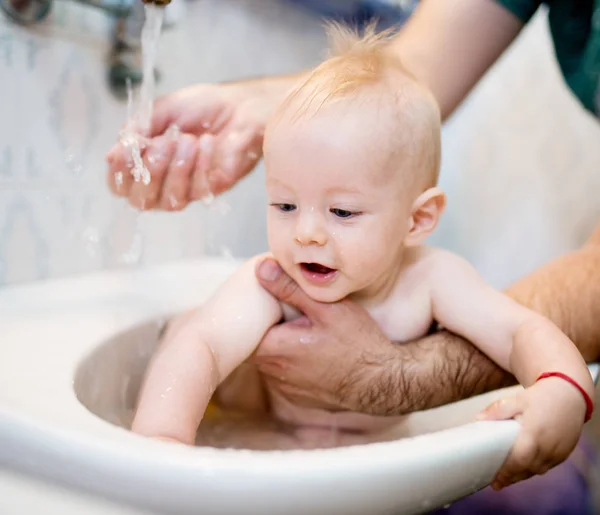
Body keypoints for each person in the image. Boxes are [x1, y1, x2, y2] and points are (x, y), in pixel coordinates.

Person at [105, 0, 600, 512]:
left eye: (342, 212)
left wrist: (560, 386)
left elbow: (521, 331)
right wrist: (161, 448)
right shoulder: (272, 283)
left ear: (417, 220)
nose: (308, 234)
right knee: (191, 326)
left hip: (381, 465)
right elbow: (199, 347)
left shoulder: (431, 280)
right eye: (285, 204)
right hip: (271, 440)